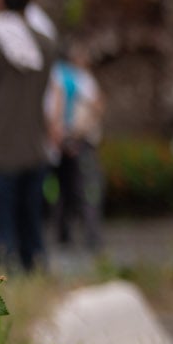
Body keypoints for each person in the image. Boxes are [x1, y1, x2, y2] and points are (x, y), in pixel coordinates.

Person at [0, 0, 57, 273]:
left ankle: (2, 294)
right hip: (35, 145)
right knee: (32, 229)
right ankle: (36, 281)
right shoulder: (46, 43)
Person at [47, 41, 105, 253]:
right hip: (78, 141)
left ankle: (65, 233)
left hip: (63, 141)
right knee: (85, 188)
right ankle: (89, 234)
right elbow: (97, 106)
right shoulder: (81, 79)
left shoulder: (58, 75)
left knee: (64, 190)